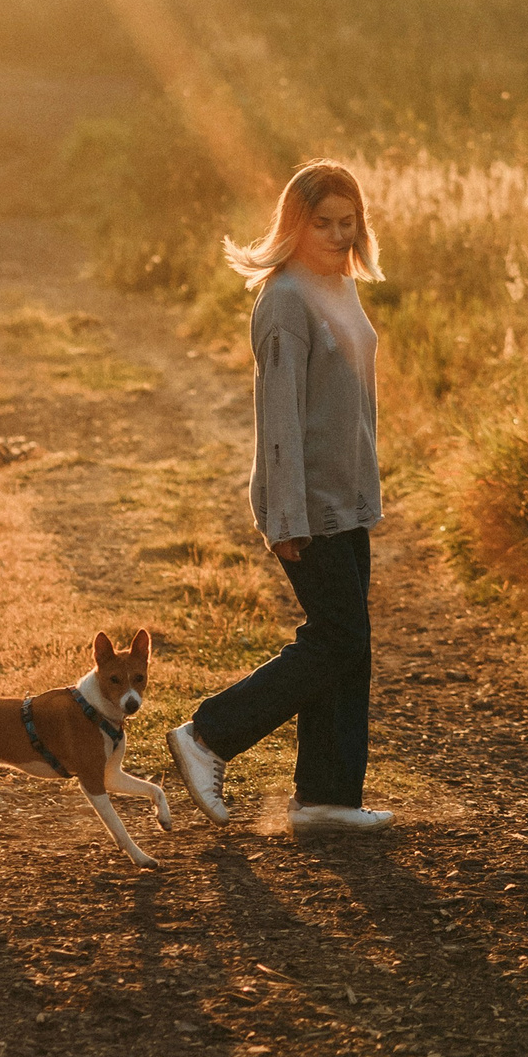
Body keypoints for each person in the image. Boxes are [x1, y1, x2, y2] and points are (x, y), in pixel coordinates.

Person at [166, 160, 393, 834]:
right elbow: (280, 419)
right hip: (307, 503)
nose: (334, 233)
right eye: (320, 222)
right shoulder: (285, 299)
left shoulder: (341, 287)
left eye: (346, 222)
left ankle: (326, 799)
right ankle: (208, 735)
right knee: (337, 638)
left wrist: (363, 490)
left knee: (349, 643)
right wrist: (287, 516)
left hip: (346, 499)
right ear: (295, 225)